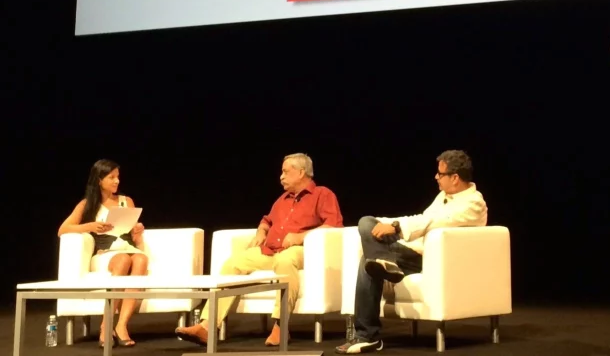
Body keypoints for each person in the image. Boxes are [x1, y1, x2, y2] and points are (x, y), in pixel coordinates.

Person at [175, 153, 343, 347]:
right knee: (234, 263)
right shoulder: (283, 199)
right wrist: (261, 232)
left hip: (302, 251)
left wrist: (300, 237)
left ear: (301, 172)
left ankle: (281, 326)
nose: (281, 176)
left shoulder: (322, 194)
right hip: (270, 251)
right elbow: (267, 220)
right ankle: (207, 326)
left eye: (285, 172)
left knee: (285, 261)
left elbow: (333, 226)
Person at [334, 150, 487, 354]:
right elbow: (423, 217)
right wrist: (385, 222)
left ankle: (367, 335)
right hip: (414, 252)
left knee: (368, 262)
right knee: (367, 224)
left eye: (440, 174)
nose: (436, 177)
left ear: (455, 178)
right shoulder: (444, 196)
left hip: (431, 260)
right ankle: (386, 264)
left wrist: (396, 227)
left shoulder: (474, 203)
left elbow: (432, 222)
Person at [58, 159, 148, 348]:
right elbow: (63, 229)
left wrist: (137, 232)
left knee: (140, 259)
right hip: (105, 253)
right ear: (99, 180)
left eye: (118, 177)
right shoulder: (88, 204)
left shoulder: (126, 201)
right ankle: (105, 325)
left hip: (127, 247)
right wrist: (90, 226)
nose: (116, 181)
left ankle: (121, 326)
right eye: (111, 177)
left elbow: (133, 233)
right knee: (123, 260)